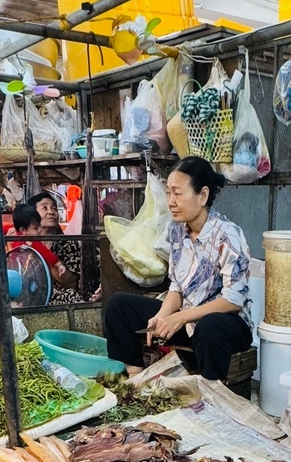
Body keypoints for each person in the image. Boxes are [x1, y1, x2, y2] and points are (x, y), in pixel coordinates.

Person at [105, 157, 253, 382]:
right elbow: (177, 287)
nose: (171, 202)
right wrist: (162, 316)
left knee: (210, 326)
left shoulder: (228, 234)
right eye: (168, 193)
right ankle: (136, 379)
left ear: (202, 196)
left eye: (178, 193)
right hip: (189, 322)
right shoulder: (177, 231)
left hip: (226, 326)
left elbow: (233, 300)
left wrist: (180, 318)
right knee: (119, 305)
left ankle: (211, 392)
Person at [27, 190, 83, 304]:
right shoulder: (26, 245)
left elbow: (72, 283)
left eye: (54, 208)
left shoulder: (68, 244)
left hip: (62, 299)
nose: (51, 212)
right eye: (45, 208)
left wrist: (50, 260)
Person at [8, 204, 70, 287]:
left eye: (39, 226)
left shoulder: (27, 240)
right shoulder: (28, 241)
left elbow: (45, 252)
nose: (40, 229)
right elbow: (45, 252)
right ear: (23, 230)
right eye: (36, 228)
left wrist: (58, 264)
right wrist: (58, 264)